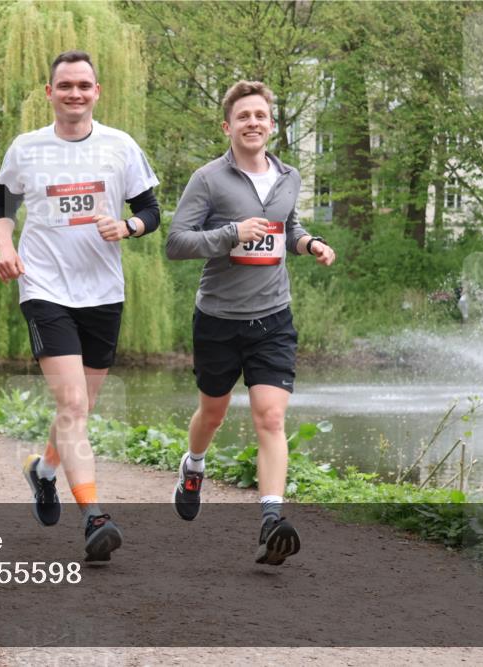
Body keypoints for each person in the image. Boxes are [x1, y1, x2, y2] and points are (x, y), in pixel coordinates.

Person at [0, 51, 160, 562]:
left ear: (97, 91)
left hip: (103, 292)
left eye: (84, 85)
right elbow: (2, 206)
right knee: (72, 406)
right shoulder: (27, 148)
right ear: (49, 93)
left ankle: (43, 472)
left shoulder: (120, 146)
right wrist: (5, 246)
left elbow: (151, 211)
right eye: (65, 85)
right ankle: (94, 516)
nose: (74, 94)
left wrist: (128, 227)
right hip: (44, 287)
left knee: (80, 408)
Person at [165, 80, 336, 566]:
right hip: (218, 319)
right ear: (228, 126)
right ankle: (193, 465)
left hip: (273, 318)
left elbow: (289, 226)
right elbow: (177, 242)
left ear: (272, 124)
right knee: (213, 414)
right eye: (244, 116)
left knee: (271, 416)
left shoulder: (289, 177)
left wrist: (309, 244)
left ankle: (270, 519)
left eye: (261, 115)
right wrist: (231, 233)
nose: (253, 123)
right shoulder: (208, 179)